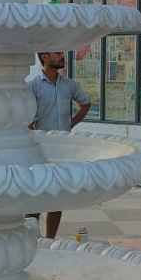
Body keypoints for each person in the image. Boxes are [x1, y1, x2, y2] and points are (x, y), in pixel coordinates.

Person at [27, 50, 91, 238]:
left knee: (57, 196)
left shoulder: (69, 85)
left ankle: (50, 239)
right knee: (35, 195)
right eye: (57, 53)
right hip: (39, 149)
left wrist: (71, 123)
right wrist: (31, 130)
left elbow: (86, 103)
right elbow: (25, 114)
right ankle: (32, 237)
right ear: (44, 57)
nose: (62, 56)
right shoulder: (33, 86)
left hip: (62, 149)